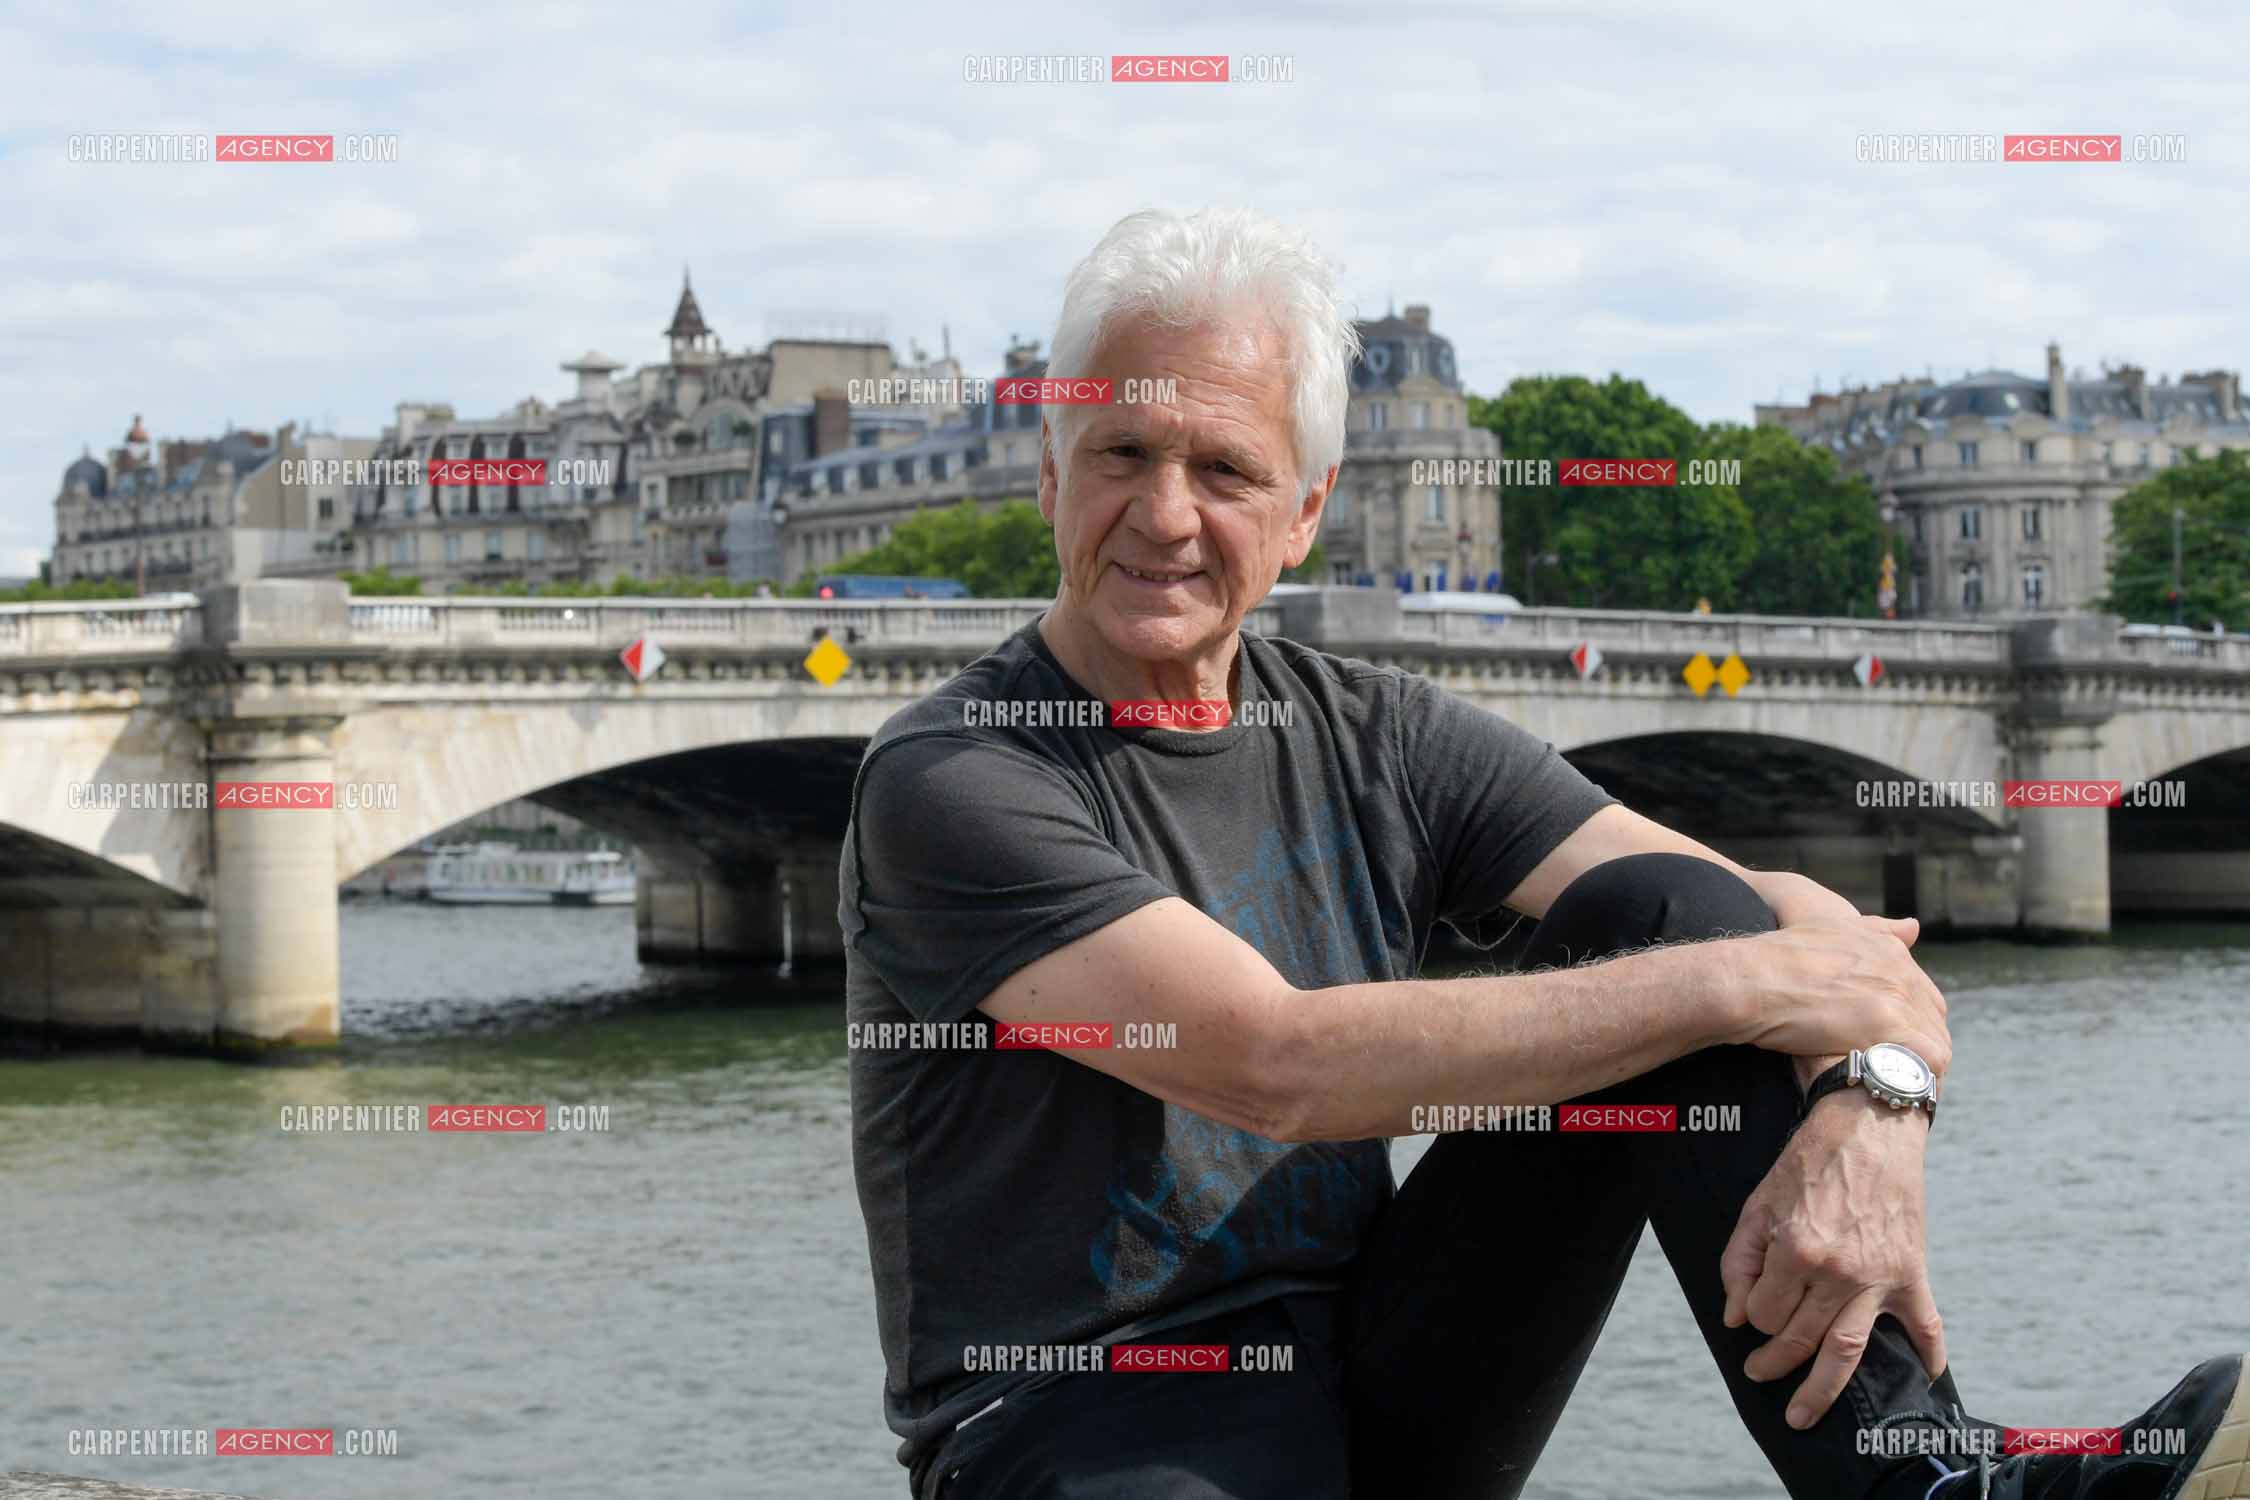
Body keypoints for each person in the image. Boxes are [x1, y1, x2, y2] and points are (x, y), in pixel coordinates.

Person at [840, 207, 2248, 1500]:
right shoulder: (955, 778)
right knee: (1703, 969)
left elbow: (1789, 922)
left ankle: (1923, 1481)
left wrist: (1872, 1105)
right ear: (1048, 473)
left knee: (1670, 909)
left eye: (1224, 470)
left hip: (1380, 1361)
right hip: (1081, 1417)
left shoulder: (1377, 731)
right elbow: (1274, 1068)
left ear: (1306, 511)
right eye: (1122, 457)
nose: (1164, 515)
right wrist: (1758, 990)